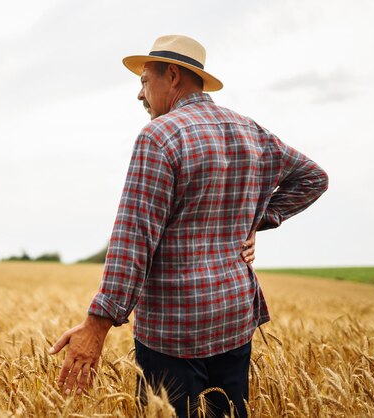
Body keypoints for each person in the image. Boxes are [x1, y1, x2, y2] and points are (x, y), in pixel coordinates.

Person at [49, 34, 328, 417]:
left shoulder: (159, 136)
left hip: (172, 332)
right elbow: (313, 178)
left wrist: (95, 328)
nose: (140, 95)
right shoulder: (250, 131)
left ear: (174, 76)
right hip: (233, 319)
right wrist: (254, 221)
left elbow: (134, 241)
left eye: (145, 81)